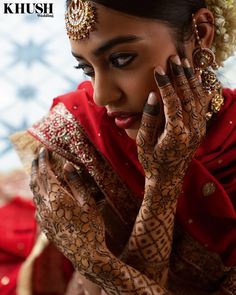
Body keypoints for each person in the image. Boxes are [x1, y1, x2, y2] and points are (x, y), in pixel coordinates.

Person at [12, 0, 236, 294]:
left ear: (201, 33)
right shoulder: (81, 132)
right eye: (86, 68)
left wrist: (96, 261)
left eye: (121, 59)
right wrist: (162, 183)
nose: (102, 96)